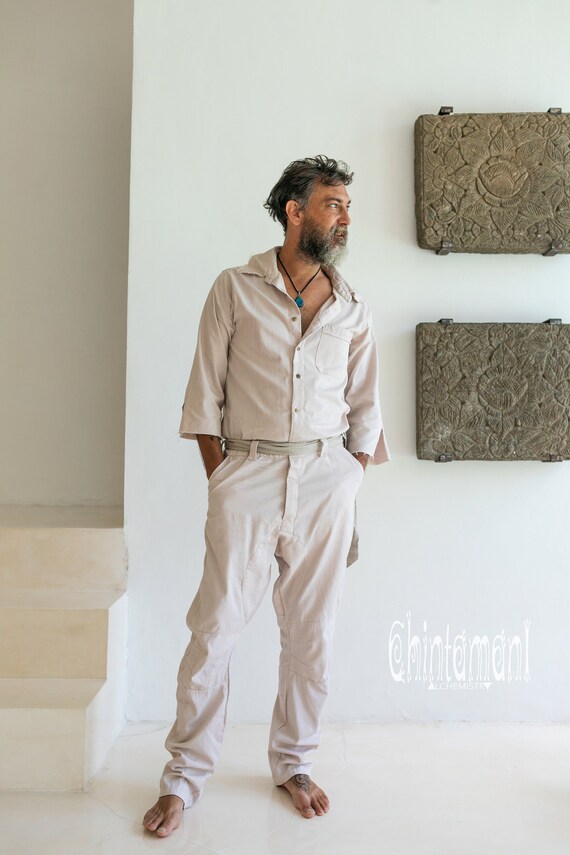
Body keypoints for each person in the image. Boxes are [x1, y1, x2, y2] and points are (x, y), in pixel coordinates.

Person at [143, 155, 390, 837]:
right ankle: (183, 777)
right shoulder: (235, 288)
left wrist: (350, 474)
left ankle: (295, 763)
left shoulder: (353, 306)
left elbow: (367, 405)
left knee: (312, 635)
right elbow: (204, 395)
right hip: (248, 475)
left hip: (325, 482)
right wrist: (223, 478)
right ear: (295, 211)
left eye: (347, 206)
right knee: (214, 630)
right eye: (334, 204)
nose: (345, 218)